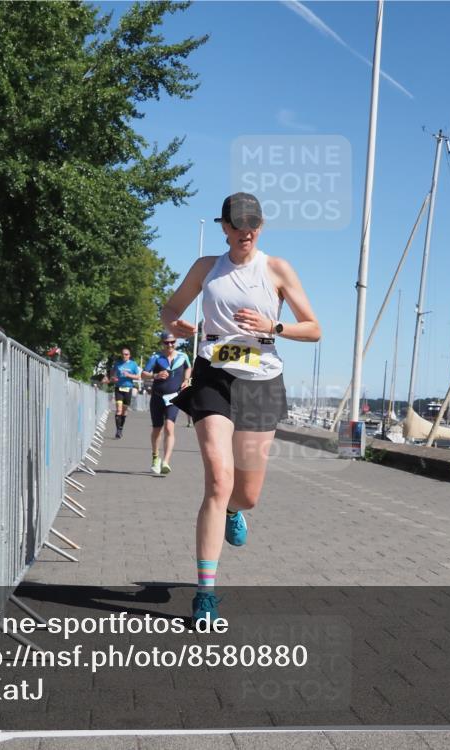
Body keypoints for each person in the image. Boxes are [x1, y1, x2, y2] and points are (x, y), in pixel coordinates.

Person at [162, 192, 320, 623]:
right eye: (238, 223)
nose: (246, 230)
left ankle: (235, 511)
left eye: (253, 223)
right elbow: (171, 307)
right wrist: (173, 322)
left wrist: (276, 326)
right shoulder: (205, 268)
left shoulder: (277, 269)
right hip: (214, 376)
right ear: (225, 227)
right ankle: (205, 594)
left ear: (260, 226)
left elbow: (315, 328)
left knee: (246, 494)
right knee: (217, 479)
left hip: (262, 383)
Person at [141, 334, 192, 475]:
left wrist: (186, 379)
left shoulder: (183, 356)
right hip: (157, 398)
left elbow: (188, 368)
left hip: (174, 398)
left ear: (176, 342)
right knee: (157, 430)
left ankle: (166, 462)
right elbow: (143, 374)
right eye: (166, 343)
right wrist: (155, 376)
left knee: (169, 428)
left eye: (172, 342)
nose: (170, 345)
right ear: (162, 343)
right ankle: (155, 457)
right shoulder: (156, 357)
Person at [110, 347, 141, 438]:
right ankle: (118, 431)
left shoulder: (133, 364)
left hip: (128, 388)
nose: (124, 356)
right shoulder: (118, 364)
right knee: (119, 410)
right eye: (123, 354)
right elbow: (112, 373)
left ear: (129, 355)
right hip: (118, 388)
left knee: (124, 411)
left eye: (126, 354)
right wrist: (113, 378)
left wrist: (129, 375)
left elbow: (138, 376)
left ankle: (121, 427)